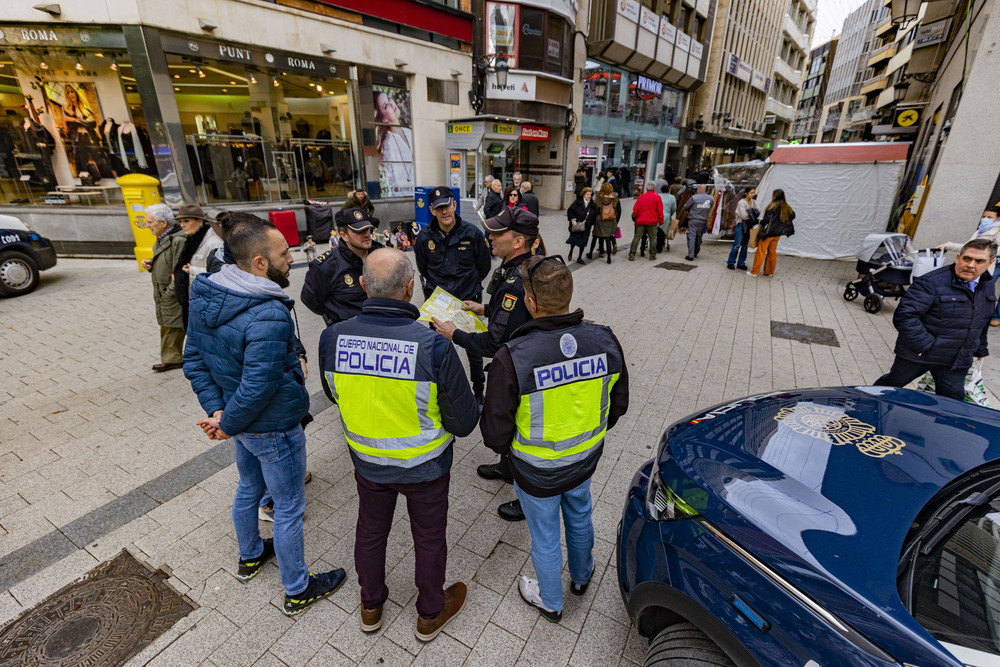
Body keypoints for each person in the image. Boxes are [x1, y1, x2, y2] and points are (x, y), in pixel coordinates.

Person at [184, 223, 346, 616]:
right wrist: (226, 422)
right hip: (271, 427)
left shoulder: (209, 293)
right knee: (289, 508)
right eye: (284, 254)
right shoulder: (268, 312)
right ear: (259, 263)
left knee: (248, 487)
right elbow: (258, 387)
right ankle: (298, 588)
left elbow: (195, 360)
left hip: (240, 422)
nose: (293, 260)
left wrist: (219, 411)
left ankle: (251, 555)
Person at [320, 248, 476, 641]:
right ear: (411, 288)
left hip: (369, 463)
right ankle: (429, 613)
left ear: (362, 285)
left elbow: (334, 393)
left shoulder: (332, 338)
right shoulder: (433, 346)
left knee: (371, 531)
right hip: (426, 468)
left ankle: (370, 606)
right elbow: (463, 421)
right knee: (428, 537)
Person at [480, 255, 629, 622]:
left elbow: (494, 429)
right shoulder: (605, 340)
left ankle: (551, 601)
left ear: (531, 303)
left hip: (535, 470)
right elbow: (619, 403)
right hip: (584, 459)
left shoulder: (513, 356)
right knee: (580, 515)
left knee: (545, 533)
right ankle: (582, 576)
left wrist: (510, 452)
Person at [431, 207, 536, 522]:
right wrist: (486, 308)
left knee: (519, 426)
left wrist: (455, 333)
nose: (490, 236)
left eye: (498, 233)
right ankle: (507, 465)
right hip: (518, 360)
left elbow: (493, 343)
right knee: (510, 426)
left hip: (518, 368)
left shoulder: (518, 278)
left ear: (517, 241)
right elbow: (511, 312)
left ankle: (527, 496)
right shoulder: (515, 266)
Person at [874, 238, 996, 401]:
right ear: (958, 257)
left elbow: (983, 318)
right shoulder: (931, 282)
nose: (971, 265)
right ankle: (863, 409)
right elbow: (905, 316)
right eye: (967, 258)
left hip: (957, 360)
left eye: (979, 261)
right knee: (888, 388)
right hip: (919, 354)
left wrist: (980, 349)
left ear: (990, 263)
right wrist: (927, 346)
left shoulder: (987, 284)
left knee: (953, 402)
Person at [415, 186, 492, 403]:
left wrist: (469, 286)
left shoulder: (472, 233)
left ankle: (478, 392)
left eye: (447, 206)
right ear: (432, 210)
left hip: (468, 301)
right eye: (439, 208)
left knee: (473, 349)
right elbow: (424, 269)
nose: (444, 212)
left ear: (454, 205)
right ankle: (445, 392)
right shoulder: (424, 238)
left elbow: (483, 266)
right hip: (440, 305)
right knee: (440, 350)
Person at [301, 208, 382, 326]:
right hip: (351, 333)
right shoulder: (327, 267)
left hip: (384, 328)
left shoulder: (383, 255)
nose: (366, 235)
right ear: (344, 236)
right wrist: (336, 315)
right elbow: (311, 300)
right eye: (359, 231)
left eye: (367, 229)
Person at [141, 203, 186, 373]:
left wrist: (170, 292)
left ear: (163, 223)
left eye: (150, 222)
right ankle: (172, 358)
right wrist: (153, 263)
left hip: (171, 290)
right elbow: (166, 260)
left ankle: (173, 359)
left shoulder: (178, 240)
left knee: (174, 324)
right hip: (164, 289)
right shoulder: (163, 237)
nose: (147, 225)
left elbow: (179, 269)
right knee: (169, 323)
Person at [938, 205, 1000, 325]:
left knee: (985, 288)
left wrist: (984, 254)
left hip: (993, 263)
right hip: (985, 262)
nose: (985, 219)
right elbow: (968, 247)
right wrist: (948, 245)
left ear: (997, 219)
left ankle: (992, 317)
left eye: (989, 217)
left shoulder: (998, 231)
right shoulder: (982, 229)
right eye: (984, 216)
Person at [173, 203, 223, 328]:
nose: (182, 225)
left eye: (186, 221)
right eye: (180, 221)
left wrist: (192, 270)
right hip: (192, 298)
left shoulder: (213, 242)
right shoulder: (192, 239)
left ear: (200, 221)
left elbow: (220, 273)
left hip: (206, 302)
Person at [747, 189, 795, 277]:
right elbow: (793, 215)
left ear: (775, 196)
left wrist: (760, 222)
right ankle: (769, 272)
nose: (771, 196)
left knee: (761, 252)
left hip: (768, 234)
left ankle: (755, 271)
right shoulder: (786, 207)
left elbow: (766, 220)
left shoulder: (773, 207)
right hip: (778, 234)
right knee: (772, 252)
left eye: (773, 195)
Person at [374, 90, 413, 195]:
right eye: (386, 106)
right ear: (383, 118)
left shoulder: (410, 133)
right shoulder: (388, 144)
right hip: (404, 196)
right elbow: (392, 183)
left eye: (389, 98)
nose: (392, 103)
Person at [628, 182, 664, 262]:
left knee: (636, 237)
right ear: (654, 188)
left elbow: (635, 209)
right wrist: (661, 221)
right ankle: (652, 255)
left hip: (640, 221)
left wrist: (636, 218)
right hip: (652, 221)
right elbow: (660, 211)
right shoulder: (657, 197)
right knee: (653, 238)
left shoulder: (641, 197)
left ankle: (632, 255)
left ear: (646, 188)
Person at [588, 182, 621, 264]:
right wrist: (616, 221)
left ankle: (590, 254)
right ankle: (609, 258)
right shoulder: (615, 199)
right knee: (608, 239)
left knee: (595, 237)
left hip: (600, 221)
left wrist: (593, 222)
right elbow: (619, 211)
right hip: (611, 221)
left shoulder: (599, 199)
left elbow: (595, 212)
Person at [727, 187, 757, 271]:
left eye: (754, 192)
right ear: (746, 193)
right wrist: (752, 215)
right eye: (751, 193)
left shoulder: (754, 202)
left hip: (749, 225)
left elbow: (759, 211)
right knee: (737, 244)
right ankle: (731, 262)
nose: (753, 194)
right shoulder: (741, 202)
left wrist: (751, 214)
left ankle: (741, 263)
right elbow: (743, 216)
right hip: (741, 225)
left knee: (745, 245)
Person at [682, 185, 714, 261]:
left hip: (693, 219)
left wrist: (685, 206)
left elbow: (687, 207)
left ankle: (691, 255)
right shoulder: (711, 199)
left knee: (691, 236)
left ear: (699, 190)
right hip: (703, 220)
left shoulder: (694, 197)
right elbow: (710, 207)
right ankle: (696, 251)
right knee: (699, 237)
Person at [566, 187, 596, 264]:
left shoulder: (592, 204)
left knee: (583, 242)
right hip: (576, 226)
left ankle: (579, 257)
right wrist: (573, 220)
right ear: (583, 194)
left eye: (590, 194)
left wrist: (591, 224)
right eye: (587, 194)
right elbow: (570, 210)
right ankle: (571, 251)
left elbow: (595, 215)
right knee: (574, 241)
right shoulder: (577, 202)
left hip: (586, 227)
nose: (589, 196)